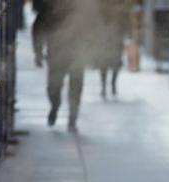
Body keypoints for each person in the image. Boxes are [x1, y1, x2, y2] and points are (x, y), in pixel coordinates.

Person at [32, 0, 89, 132]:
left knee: (76, 86)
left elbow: (91, 25)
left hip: (77, 52)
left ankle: (72, 118)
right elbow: (39, 26)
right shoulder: (50, 5)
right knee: (54, 86)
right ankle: (55, 105)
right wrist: (38, 51)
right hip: (56, 52)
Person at [95, 0, 129, 98]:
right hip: (105, 37)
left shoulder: (120, 5)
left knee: (116, 63)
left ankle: (113, 83)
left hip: (116, 37)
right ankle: (104, 85)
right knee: (103, 63)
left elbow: (124, 17)